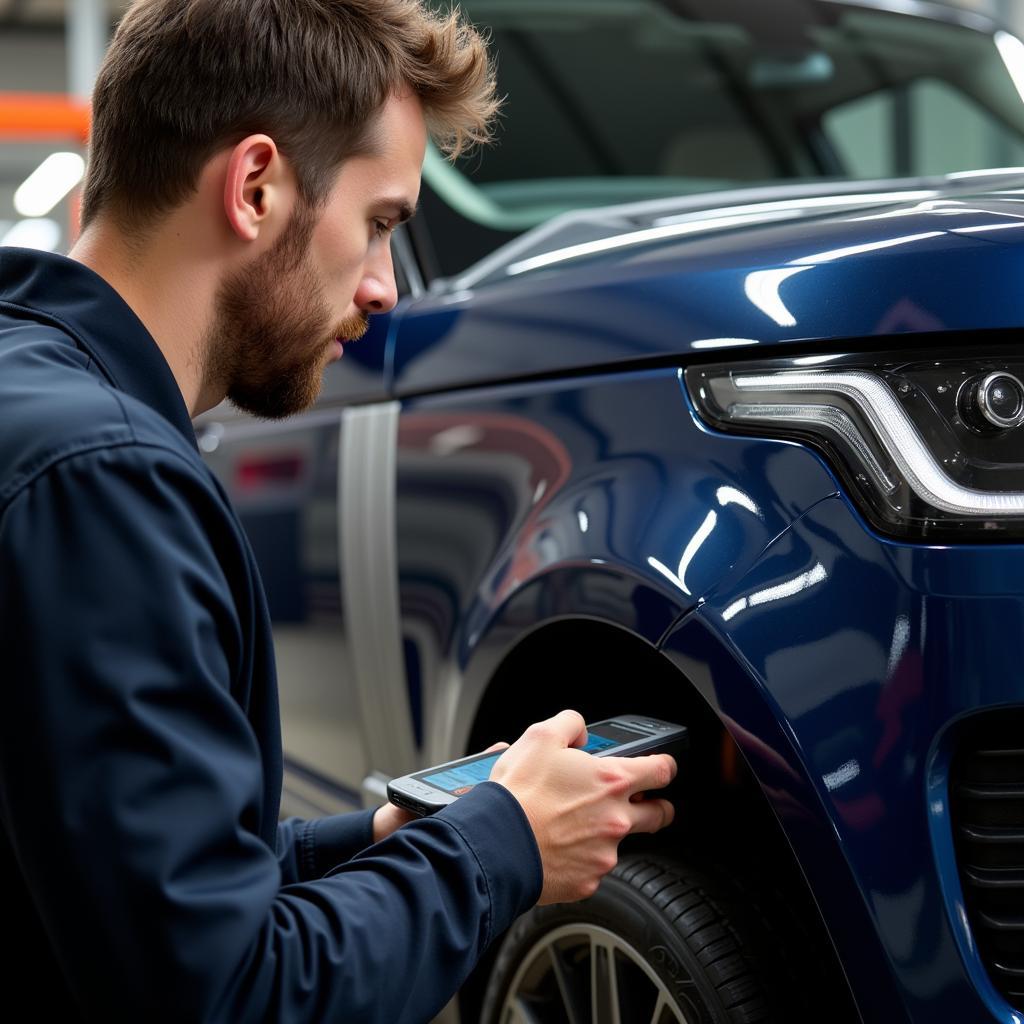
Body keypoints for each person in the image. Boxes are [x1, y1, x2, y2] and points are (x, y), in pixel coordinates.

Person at [0, 1, 677, 1020]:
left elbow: (116, 881)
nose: (384, 288)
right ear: (257, 186)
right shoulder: (104, 482)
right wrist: (501, 847)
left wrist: (392, 835)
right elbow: (229, 994)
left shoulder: (36, 401)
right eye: (379, 224)